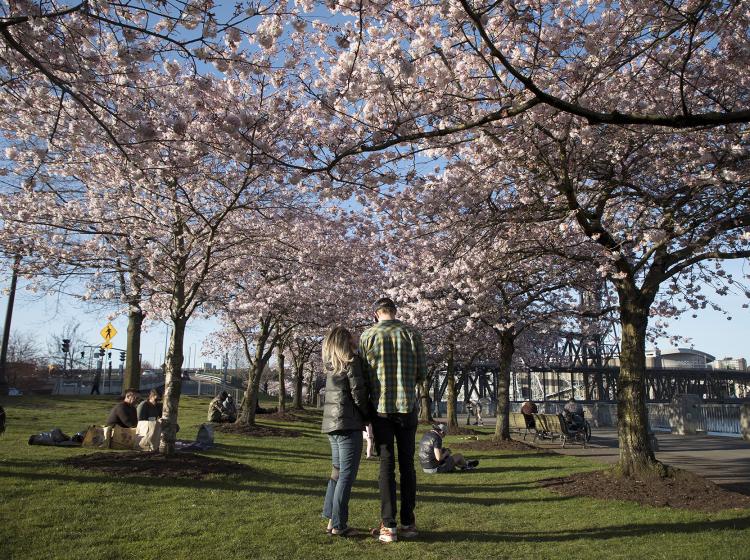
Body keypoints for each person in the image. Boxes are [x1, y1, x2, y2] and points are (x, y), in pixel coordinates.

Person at [359, 297, 425, 543]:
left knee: (386, 464)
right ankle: (409, 522)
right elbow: (422, 373)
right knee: (407, 465)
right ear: (395, 312)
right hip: (407, 407)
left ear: (376, 314)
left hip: (382, 408)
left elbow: (364, 375)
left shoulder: (368, 336)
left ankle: (389, 525)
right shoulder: (412, 333)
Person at [321, 326, 370, 537]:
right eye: (352, 336)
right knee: (346, 476)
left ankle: (331, 519)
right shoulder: (352, 363)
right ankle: (340, 524)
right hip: (348, 424)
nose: (356, 338)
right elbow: (358, 394)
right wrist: (368, 417)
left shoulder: (332, 366)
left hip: (332, 425)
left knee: (337, 473)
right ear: (345, 341)